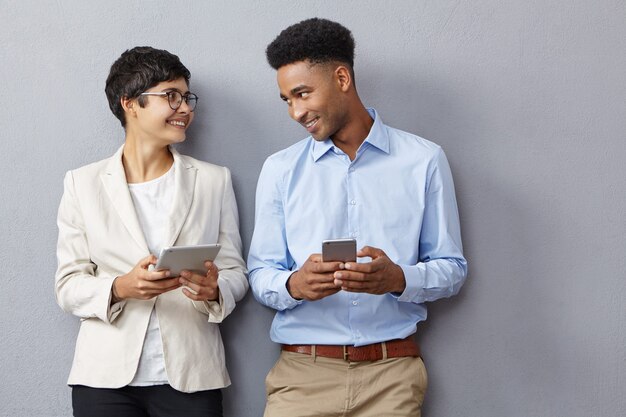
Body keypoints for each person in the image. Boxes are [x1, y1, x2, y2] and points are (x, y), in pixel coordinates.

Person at [248, 18, 468, 416]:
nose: (296, 111)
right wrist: (295, 284)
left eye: (302, 94)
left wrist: (399, 278)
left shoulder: (424, 161)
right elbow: (261, 274)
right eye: (287, 100)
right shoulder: (279, 170)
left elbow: (452, 269)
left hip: (392, 378)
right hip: (302, 377)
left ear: (342, 78)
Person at [55, 46, 248, 417]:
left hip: (193, 376)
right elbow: (67, 285)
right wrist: (120, 287)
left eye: (187, 97)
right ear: (130, 104)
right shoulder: (83, 183)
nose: (186, 109)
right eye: (170, 96)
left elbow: (235, 271)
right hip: (105, 381)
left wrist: (216, 289)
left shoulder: (213, 180)